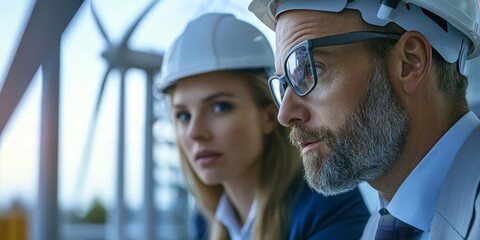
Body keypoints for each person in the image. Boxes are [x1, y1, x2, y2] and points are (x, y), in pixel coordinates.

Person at [248, 0, 480, 239]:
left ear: (410, 63)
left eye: (311, 71)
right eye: (285, 83)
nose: (284, 115)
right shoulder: (377, 228)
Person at [155, 12, 369, 240]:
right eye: (183, 116)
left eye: (219, 107)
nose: (195, 133)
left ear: (269, 116)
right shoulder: (204, 221)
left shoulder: (329, 207)